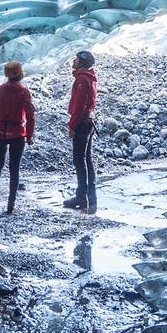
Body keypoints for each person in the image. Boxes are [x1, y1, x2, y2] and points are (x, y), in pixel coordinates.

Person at [0, 61, 35, 213]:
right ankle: (10, 204)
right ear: (20, 73)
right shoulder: (24, 92)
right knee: (14, 168)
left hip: (0, 132)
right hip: (18, 133)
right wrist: (29, 135)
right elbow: (31, 116)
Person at [63, 50, 98, 214]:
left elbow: (79, 106)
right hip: (89, 122)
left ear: (82, 62)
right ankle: (91, 198)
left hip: (82, 124)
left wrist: (72, 125)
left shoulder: (82, 80)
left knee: (80, 161)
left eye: (76, 59)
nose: (74, 60)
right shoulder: (88, 77)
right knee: (87, 160)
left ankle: (81, 198)